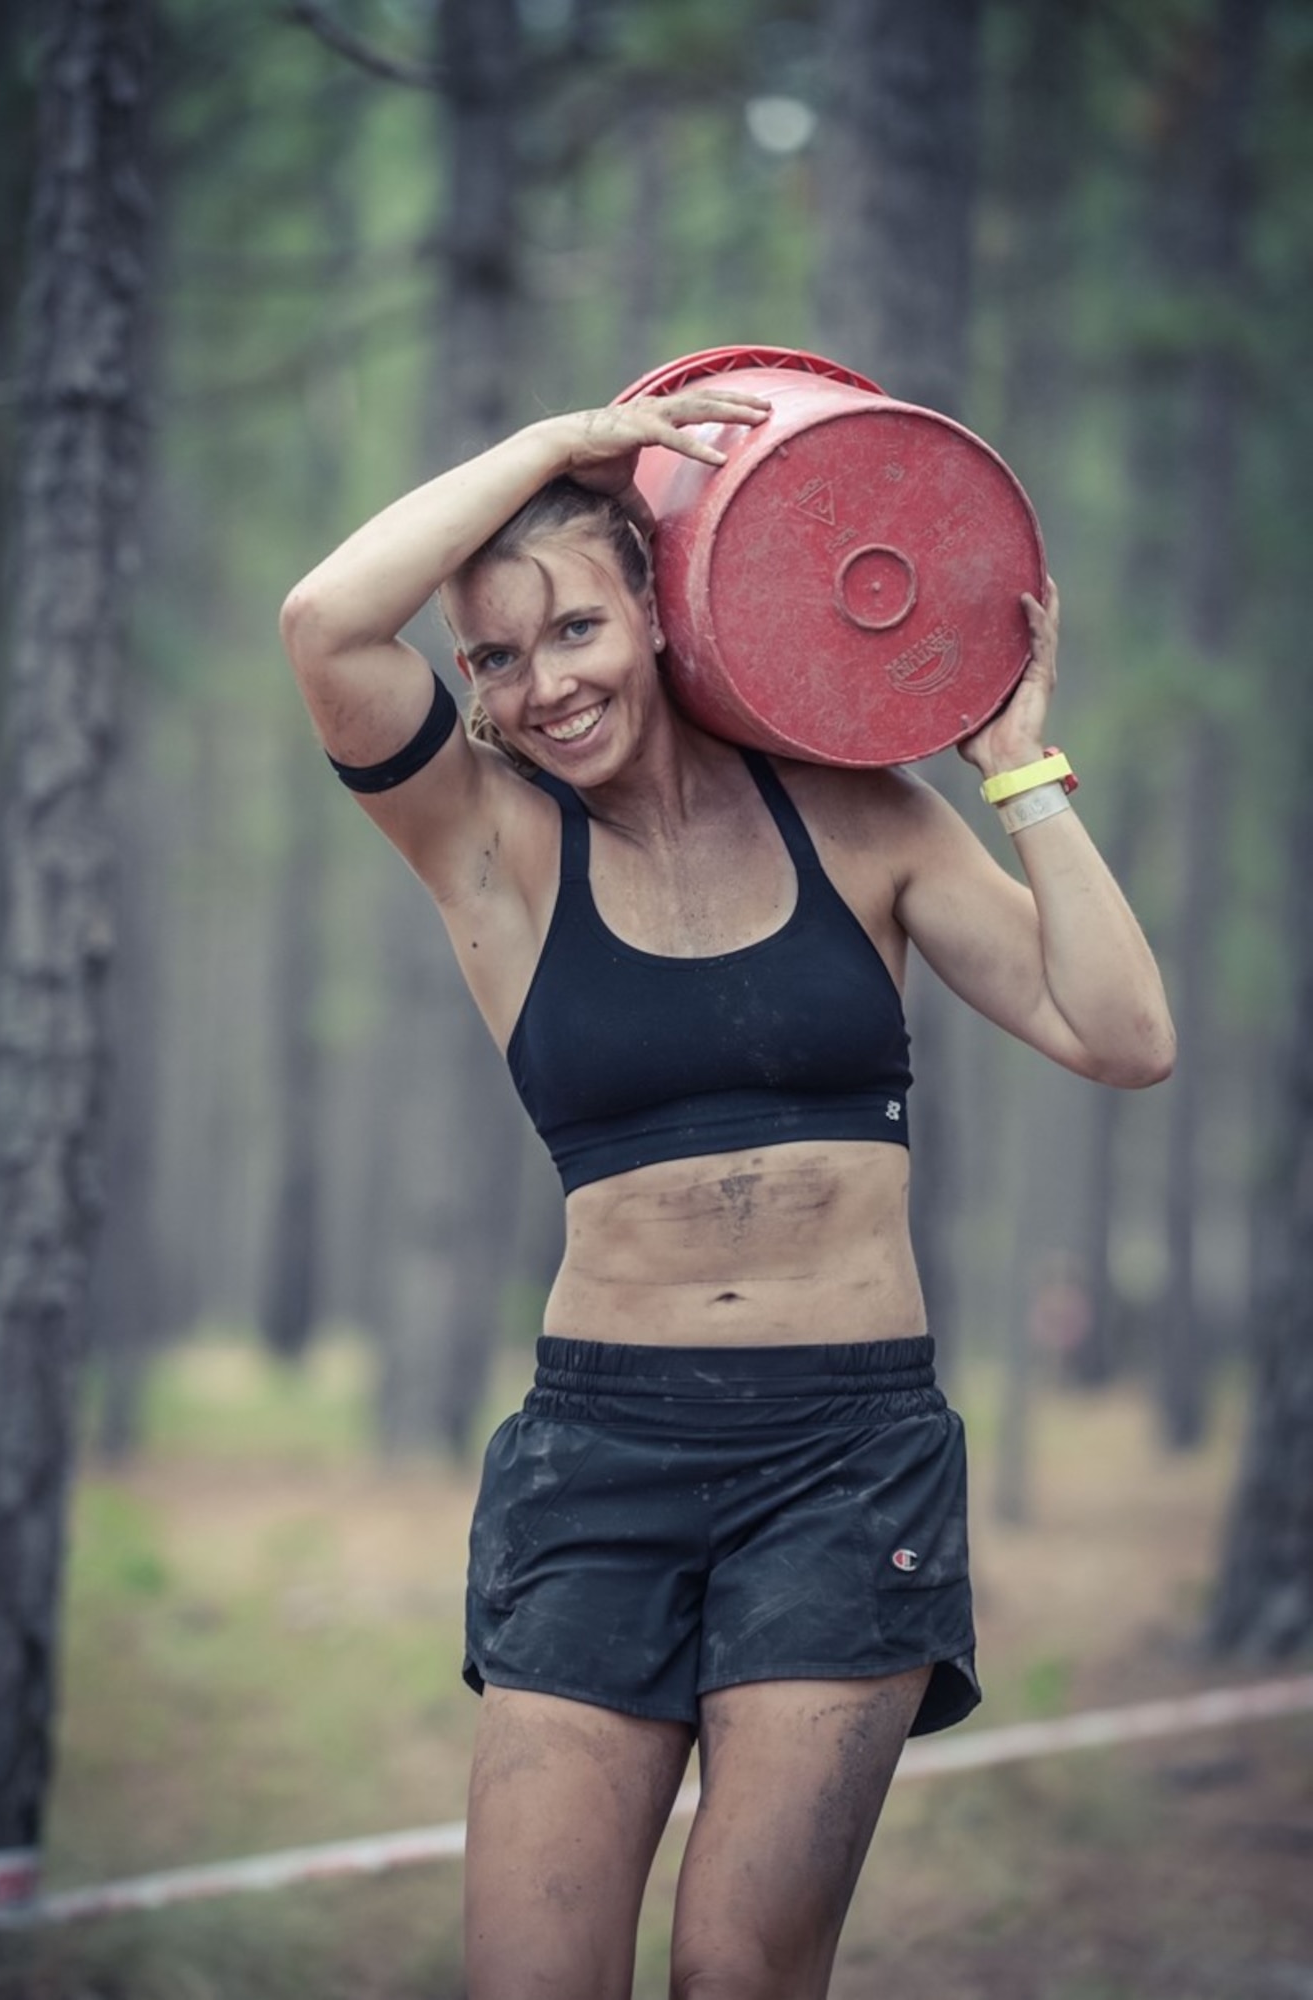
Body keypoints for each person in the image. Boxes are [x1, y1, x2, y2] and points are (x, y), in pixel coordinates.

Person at [280, 386, 1175, 2000]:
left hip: (845, 1467)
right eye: (494, 658)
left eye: (575, 627)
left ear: (658, 609)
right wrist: (562, 447)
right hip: (600, 1458)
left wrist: (1020, 765)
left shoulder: (863, 820)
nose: (543, 685)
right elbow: (326, 623)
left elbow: (1123, 1035)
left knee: (740, 1972)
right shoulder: (488, 845)